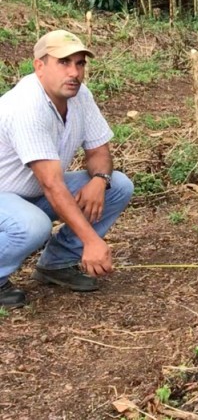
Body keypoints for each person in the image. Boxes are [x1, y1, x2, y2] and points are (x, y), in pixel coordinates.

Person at [0, 29, 133, 308]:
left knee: (117, 186)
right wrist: (92, 241)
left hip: (30, 191)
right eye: (63, 62)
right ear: (39, 65)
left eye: (80, 63)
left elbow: (99, 151)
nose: (74, 72)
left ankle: (57, 264)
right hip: (6, 194)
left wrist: (100, 179)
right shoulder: (26, 106)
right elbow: (51, 184)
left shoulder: (79, 95)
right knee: (32, 225)